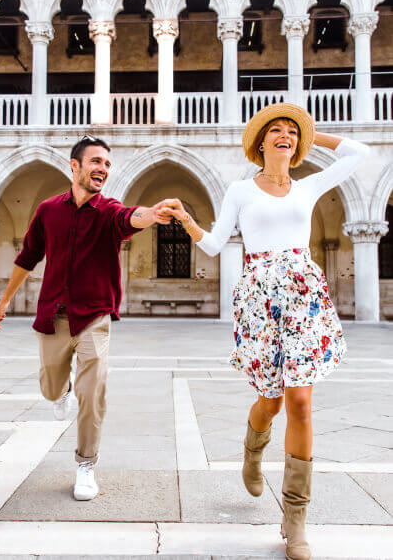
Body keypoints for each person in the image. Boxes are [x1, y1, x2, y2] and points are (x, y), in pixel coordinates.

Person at [160, 103, 369, 560]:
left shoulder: (309, 185)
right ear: (260, 144)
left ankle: (295, 517)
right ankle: (253, 451)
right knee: (271, 401)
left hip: (302, 294)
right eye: (276, 130)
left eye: (292, 133)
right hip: (258, 297)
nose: (285, 136)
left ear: (298, 146)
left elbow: (359, 152)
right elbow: (215, 244)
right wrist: (187, 219)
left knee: (300, 400)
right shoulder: (240, 190)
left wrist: (316, 136)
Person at [0, 135, 172, 501]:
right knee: (50, 387)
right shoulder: (47, 211)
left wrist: (151, 214)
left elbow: (128, 217)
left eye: (107, 163)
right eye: (95, 162)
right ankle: (62, 391)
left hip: (93, 315)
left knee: (94, 393)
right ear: (75, 166)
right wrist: (4, 300)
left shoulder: (109, 211)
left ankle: (86, 464)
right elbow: (28, 257)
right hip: (52, 315)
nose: (102, 168)